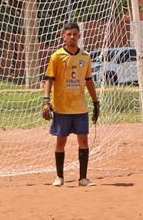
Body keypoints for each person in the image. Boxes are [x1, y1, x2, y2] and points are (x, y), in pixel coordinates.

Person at [41, 21, 100, 187]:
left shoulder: (85, 57)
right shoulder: (57, 57)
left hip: (80, 107)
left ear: (79, 36)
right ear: (63, 36)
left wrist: (95, 102)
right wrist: (46, 100)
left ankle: (83, 178)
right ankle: (59, 177)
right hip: (62, 106)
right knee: (61, 142)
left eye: (75, 34)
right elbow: (49, 80)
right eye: (69, 34)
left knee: (84, 141)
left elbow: (89, 81)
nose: (72, 37)